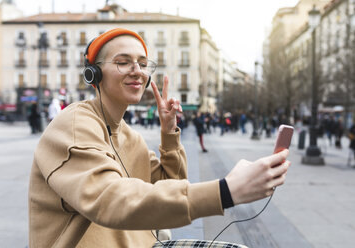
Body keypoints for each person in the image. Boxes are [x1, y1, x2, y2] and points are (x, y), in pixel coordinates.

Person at [28, 28, 291, 248]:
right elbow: (111, 200)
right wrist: (225, 191)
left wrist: (169, 135)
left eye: (143, 64)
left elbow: (172, 187)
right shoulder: (74, 124)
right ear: (93, 74)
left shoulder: (130, 136)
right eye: (123, 62)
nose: (137, 71)